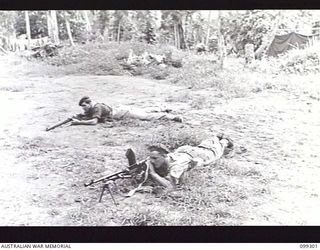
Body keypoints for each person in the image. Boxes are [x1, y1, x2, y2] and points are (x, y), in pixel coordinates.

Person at [146, 134, 234, 190]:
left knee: (215, 152)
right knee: (203, 145)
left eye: (155, 158)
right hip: (185, 150)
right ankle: (216, 137)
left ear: (164, 155)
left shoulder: (176, 166)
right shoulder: (164, 158)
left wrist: (153, 174)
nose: (151, 161)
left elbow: (171, 186)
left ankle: (225, 141)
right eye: (151, 158)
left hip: (199, 155)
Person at [70, 96, 183, 126]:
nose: (84, 108)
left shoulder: (96, 107)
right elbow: (86, 115)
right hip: (119, 109)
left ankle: (173, 117)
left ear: (89, 103)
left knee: (145, 116)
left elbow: (94, 122)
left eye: (84, 106)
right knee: (143, 111)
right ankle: (162, 109)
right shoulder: (93, 106)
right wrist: (79, 116)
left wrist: (78, 122)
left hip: (122, 113)